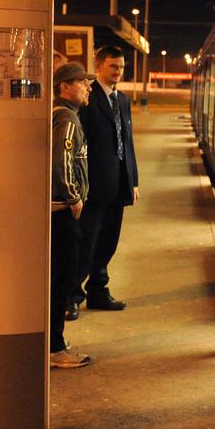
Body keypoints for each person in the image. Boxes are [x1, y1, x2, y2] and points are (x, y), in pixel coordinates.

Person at [74, 45, 138, 315]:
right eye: (113, 66)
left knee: (108, 241)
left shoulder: (122, 100)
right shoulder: (88, 98)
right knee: (86, 243)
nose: (119, 71)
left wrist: (133, 181)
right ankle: (71, 297)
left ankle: (99, 291)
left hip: (118, 183)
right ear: (99, 66)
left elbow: (127, 142)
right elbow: (81, 143)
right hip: (95, 186)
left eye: (122, 67)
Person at [50, 61, 94, 368]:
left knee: (59, 279)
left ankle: (54, 342)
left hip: (57, 210)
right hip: (62, 212)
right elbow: (61, 159)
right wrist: (73, 197)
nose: (88, 87)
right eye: (82, 82)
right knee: (62, 280)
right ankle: (55, 349)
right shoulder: (67, 119)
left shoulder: (60, 115)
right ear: (65, 87)